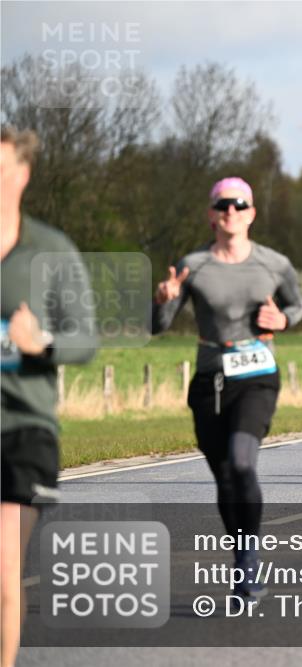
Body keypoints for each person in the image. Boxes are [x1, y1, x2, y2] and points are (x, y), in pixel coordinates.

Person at [152, 177, 302, 603]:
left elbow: (297, 303)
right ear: (211, 214)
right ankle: (241, 552)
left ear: (252, 213)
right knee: (223, 478)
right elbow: (157, 325)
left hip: (257, 374)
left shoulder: (274, 263)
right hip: (209, 379)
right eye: (223, 205)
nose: (231, 212)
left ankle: (249, 563)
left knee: (242, 463)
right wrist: (162, 300)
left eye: (240, 205)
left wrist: (285, 321)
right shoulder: (193, 264)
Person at [1, 126, 98, 667]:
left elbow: (86, 336)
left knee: (2, 565)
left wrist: (42, 343)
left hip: (23, 428)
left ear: (23, 174)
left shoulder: (51, 250)